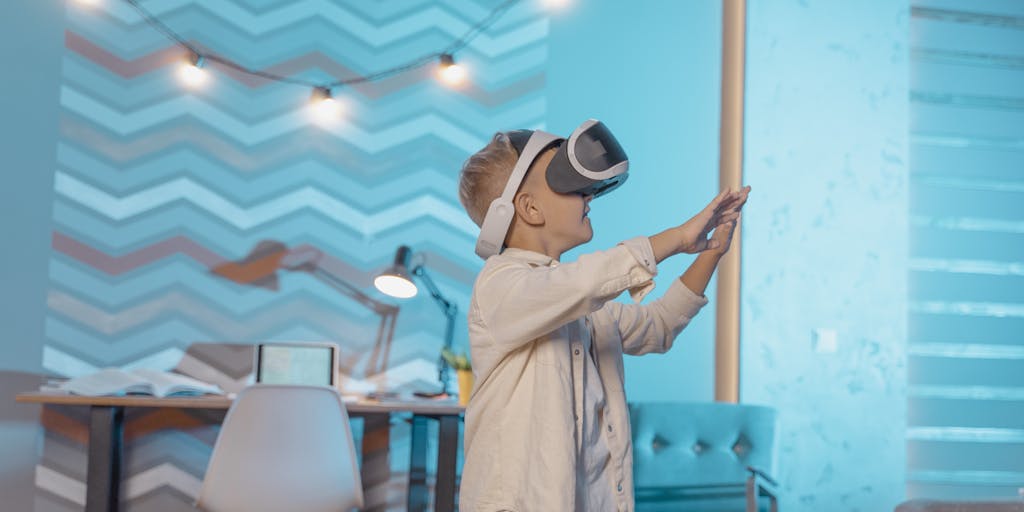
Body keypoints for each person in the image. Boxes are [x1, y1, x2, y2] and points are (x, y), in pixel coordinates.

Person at [456, 123, 750, 511]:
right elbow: (583, 283)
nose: (589, 198)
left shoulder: (584, 310)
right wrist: (677, 237)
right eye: (575, 189)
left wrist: (710, 252)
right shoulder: (499, 286)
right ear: (530, 208)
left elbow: (658, 327)